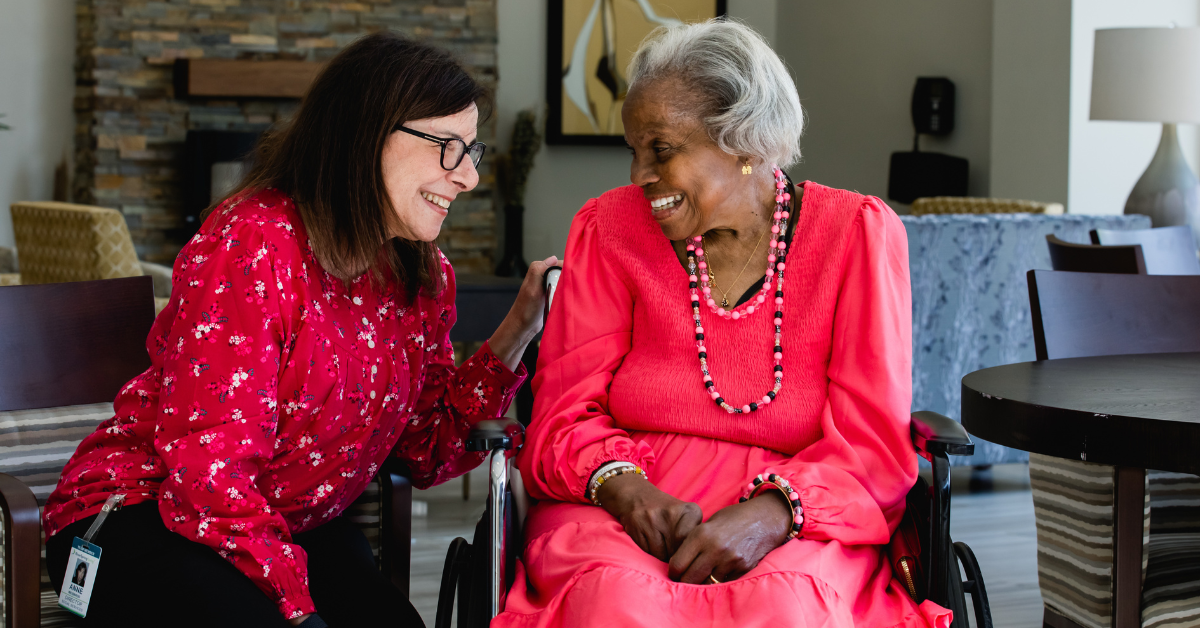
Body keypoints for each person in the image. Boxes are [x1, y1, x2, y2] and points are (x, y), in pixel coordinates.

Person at [43, 32, 555, 628]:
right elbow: (211, 471)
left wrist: (520, 326)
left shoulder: (421, 275)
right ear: (366, 134)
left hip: (285, 524)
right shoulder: (254, 245)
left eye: (473, 151)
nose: (467, 177)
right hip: (145, 518)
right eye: (447, 146)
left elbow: (424, 450)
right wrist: (297, 608)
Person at [497, 19, 951, 628]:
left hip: (806, 511)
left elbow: (871, 441)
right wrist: (626, 491)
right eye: (633, 151)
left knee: (785, 608)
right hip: (619, 498)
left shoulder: (857, 235)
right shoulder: (609, 229)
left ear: (743, 141)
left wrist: (772, 514)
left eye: (661, 149)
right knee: (615, 604)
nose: (638, 177)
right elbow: (561, 415)